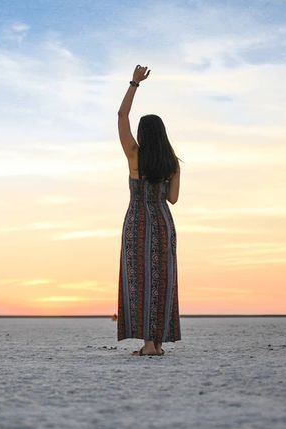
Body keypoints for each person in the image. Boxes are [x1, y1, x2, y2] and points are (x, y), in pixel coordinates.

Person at [117, 64, 182, 356]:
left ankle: (147, 346)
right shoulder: (172, 162)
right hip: (163, 222)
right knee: (162, 280)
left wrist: (134, 83)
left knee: (139, 280)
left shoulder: (134, 154)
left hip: (137, 221)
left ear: (143, 133)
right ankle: (156, 343)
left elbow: (121, 116)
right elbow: (173, 199)